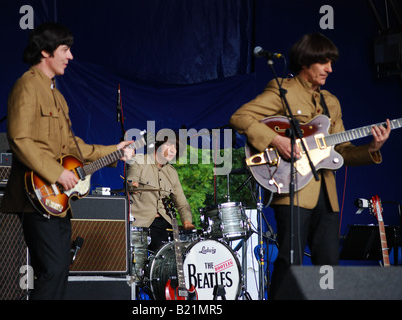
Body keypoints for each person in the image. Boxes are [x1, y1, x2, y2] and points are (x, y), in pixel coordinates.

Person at [229, 33, 391, 299]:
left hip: (327, 197)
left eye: (331, 62)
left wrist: (372, 149)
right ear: (306, 62)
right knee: (290, 265)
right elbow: (240, 117)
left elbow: (342, 152)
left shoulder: (332, 102)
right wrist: (276, 140)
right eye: (324, 62)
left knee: (328, 267)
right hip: (292, 190)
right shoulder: (284, 90)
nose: (330, 68)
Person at [0, 22, 133, 300]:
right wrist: (57, 173)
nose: (70, 57)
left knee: (58, 270)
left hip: (58, 203)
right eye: (65, 49)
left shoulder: (56, 94)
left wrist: (115, 150)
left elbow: (75, 147)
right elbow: (20, 139)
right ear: (45, 52)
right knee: (53, 270)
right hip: (36, 195)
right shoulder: (27, 86)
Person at [127, 137, 195, 252]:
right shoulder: (139, 160)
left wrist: (187, 222)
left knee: (183, 252)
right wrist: (132, 185)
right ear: (157, 145)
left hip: (165, 224)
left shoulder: (172, 172)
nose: (173, 150)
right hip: (140, 223)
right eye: (169, 145)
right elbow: (130, 181)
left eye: (176, 147)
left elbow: (182, 204)